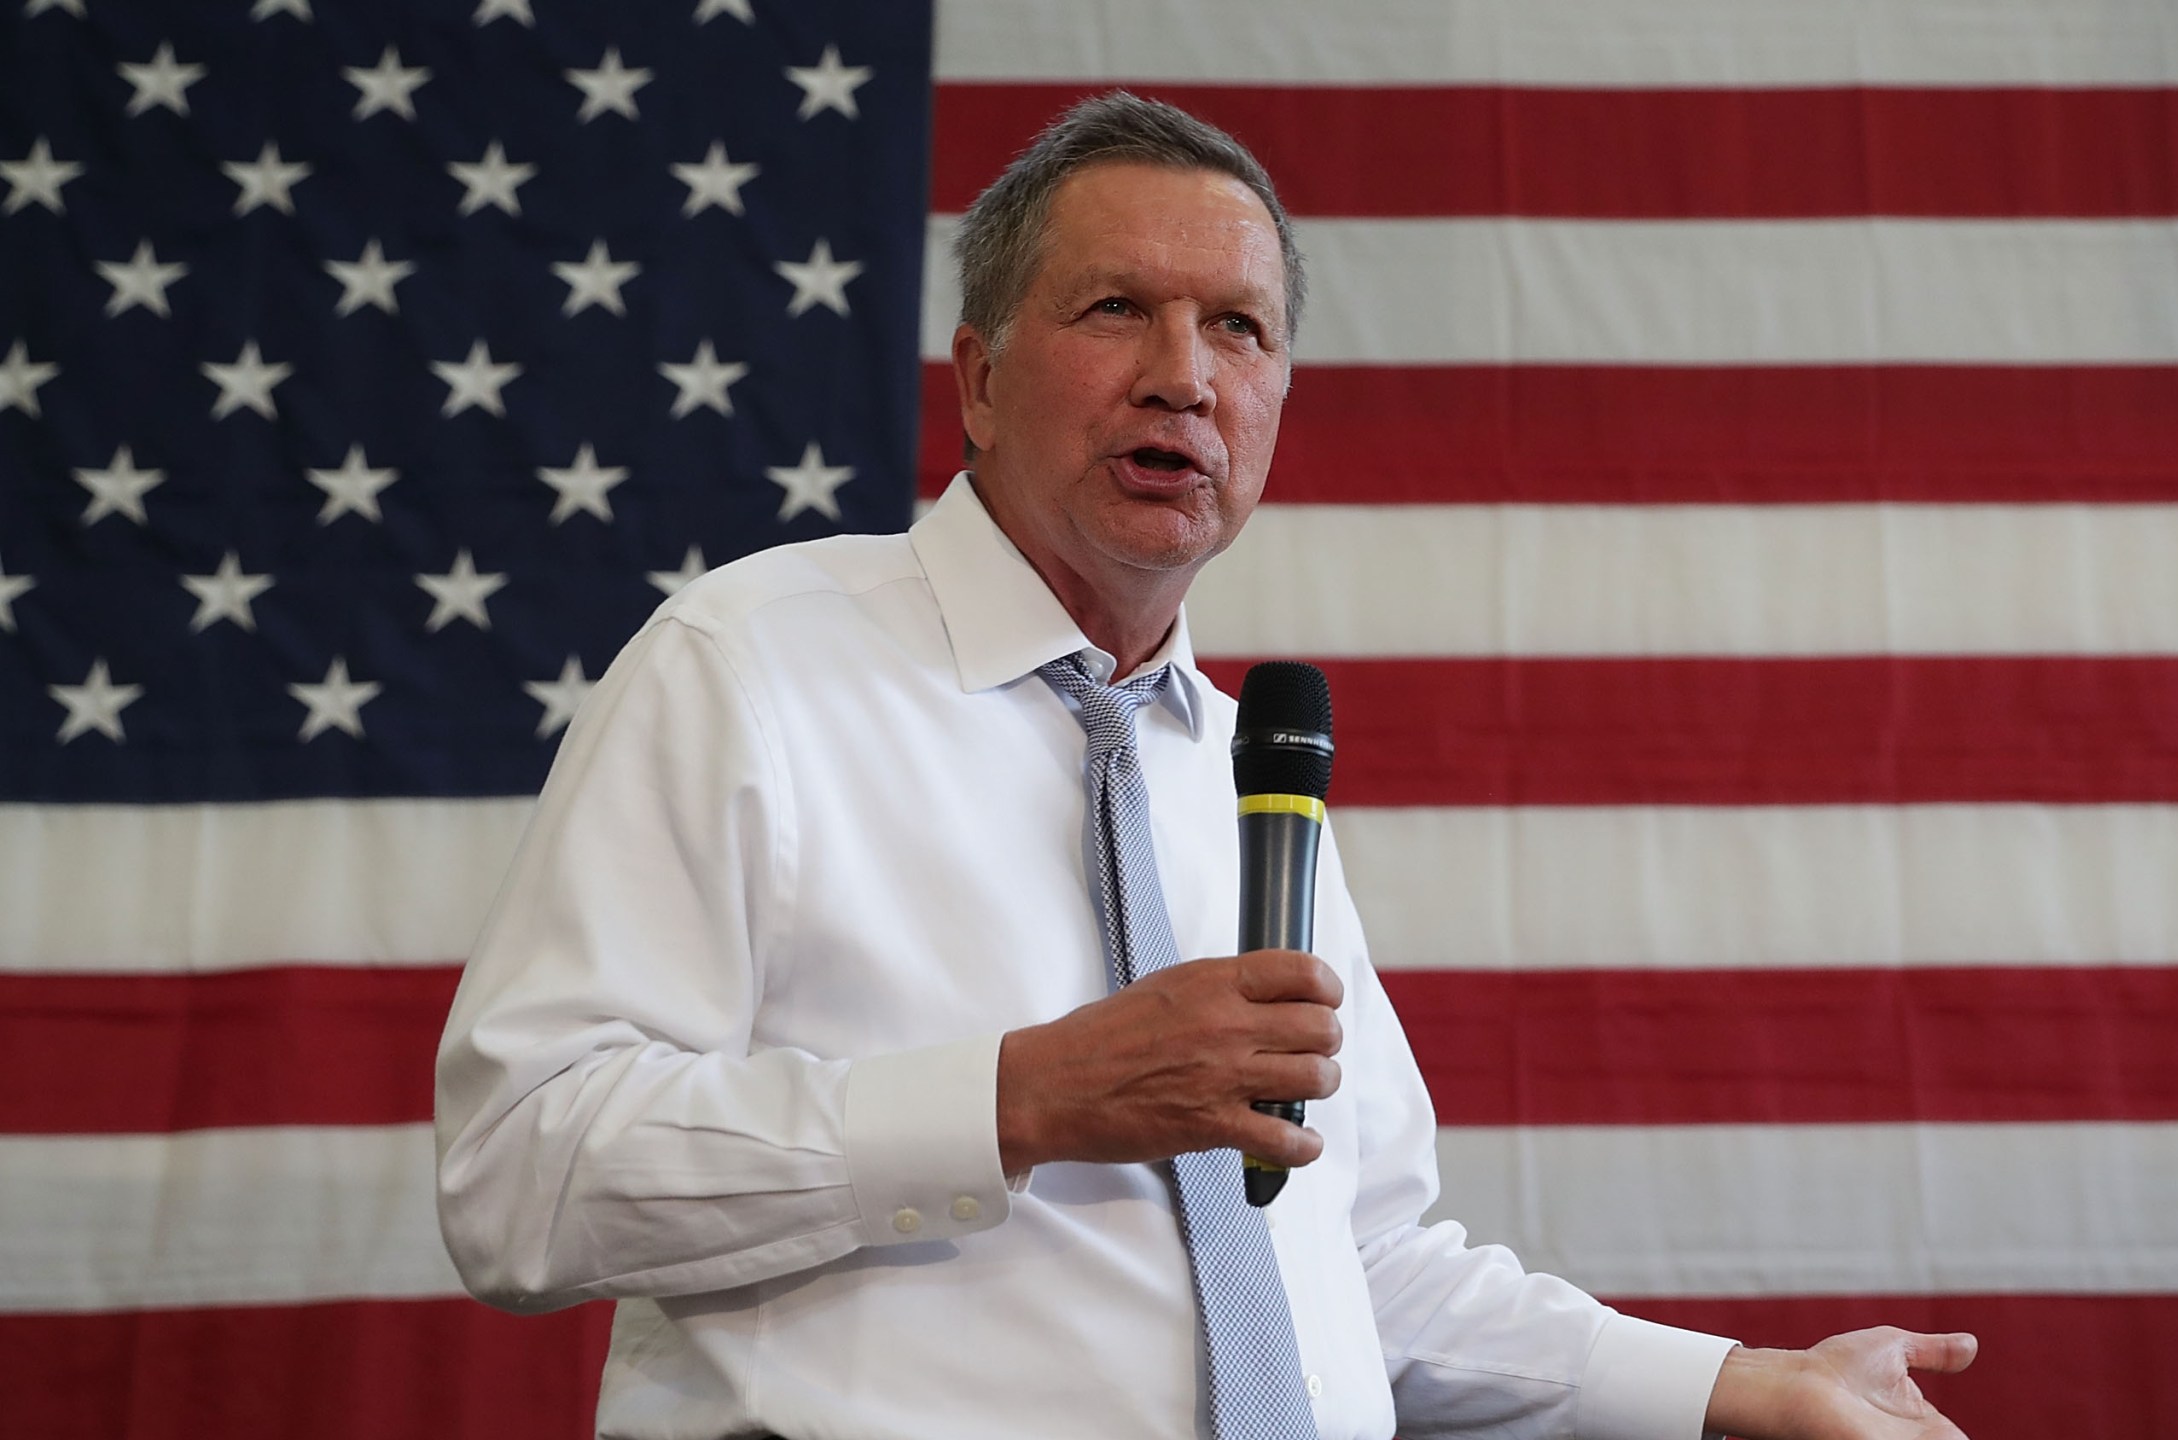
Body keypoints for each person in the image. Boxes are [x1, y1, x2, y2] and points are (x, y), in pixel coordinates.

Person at [434, 93, 1978, 1440]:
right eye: (1117, 311)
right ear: (976, 375)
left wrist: (1737, 1385)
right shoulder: (755, 663)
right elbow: (520, 1177)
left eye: (1237, 327)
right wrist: (1020, 1099)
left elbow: (1351, 1269)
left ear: (1277, 405)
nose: (1185, 374)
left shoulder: (1247, 776)